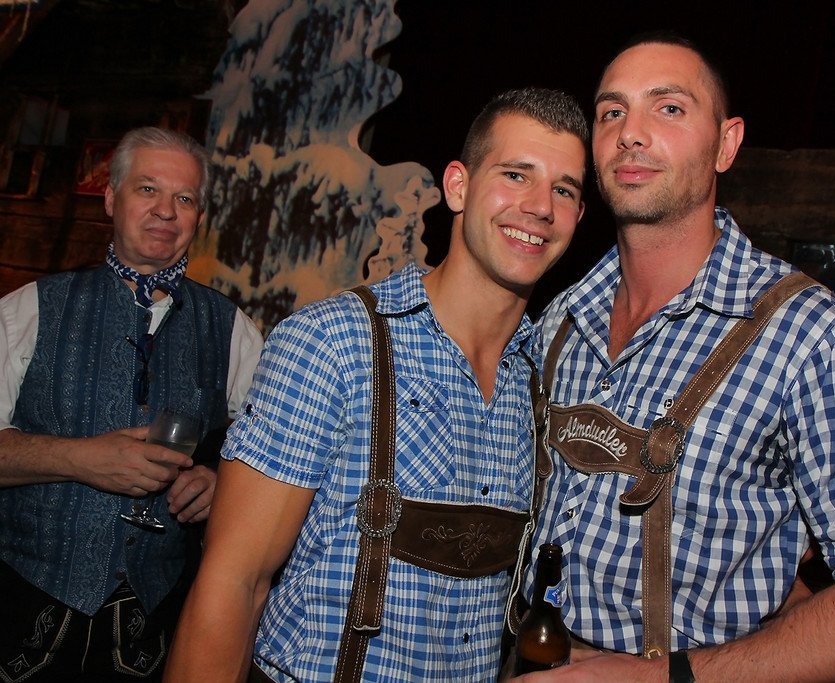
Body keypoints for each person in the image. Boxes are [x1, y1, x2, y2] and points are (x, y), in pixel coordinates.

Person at [516, 34, 835, 682]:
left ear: (726, 144)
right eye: (612, 111)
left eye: (669, 108)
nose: (630, 133)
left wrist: (663, 676)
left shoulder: (807, 334)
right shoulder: (560, 319)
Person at [163, 86, 588, 683]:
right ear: (458, 186)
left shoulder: (541, 383)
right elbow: (233, 582)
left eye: (564, 190)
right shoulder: (332, 342)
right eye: (516, 175)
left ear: (578, 217)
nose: (540, 206)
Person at [0, 126, 264, 682]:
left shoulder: (233, 330)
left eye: (184, 198)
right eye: (147, 189)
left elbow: (271, 459)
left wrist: (221, 482)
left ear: (198, 216)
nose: (166, 210)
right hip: (22, 614)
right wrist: (80, 459)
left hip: (150, 632)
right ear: (110, 198)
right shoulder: (27, 309)